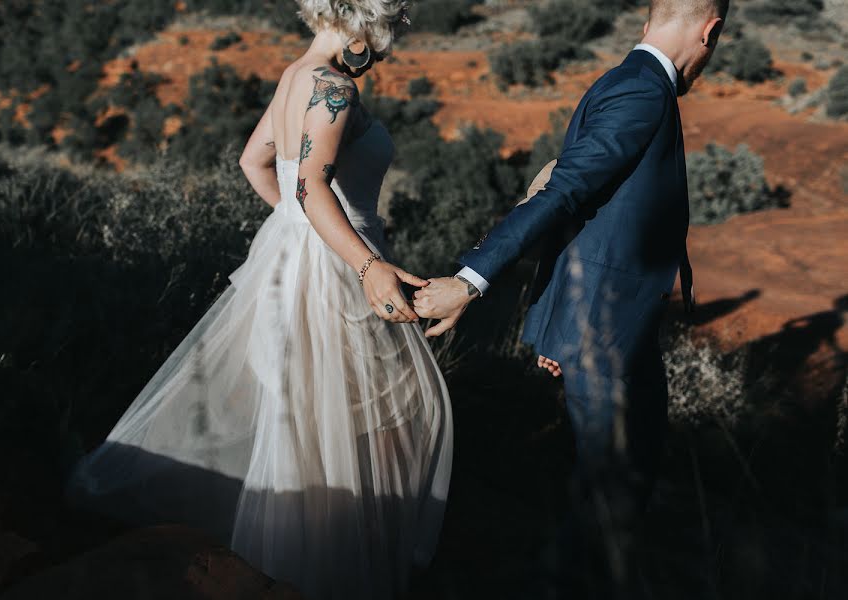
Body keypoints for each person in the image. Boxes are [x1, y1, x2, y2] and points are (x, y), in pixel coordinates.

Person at [63, 2, 453, 599]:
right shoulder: (332, 88)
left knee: (306, 421)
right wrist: (365, 262)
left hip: (305, 261)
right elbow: (309, 184)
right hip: (338, 275)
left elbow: (255, 162)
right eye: (390, 29)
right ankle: (323, 572)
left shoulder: (294, 76)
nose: (388, 46)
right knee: (382, 418)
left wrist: (299, 232)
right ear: (364, 21)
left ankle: (293, 566)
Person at [414, 1, 728, 597]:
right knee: (612, 494)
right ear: (711, 31)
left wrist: (560, 319)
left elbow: (583, 210)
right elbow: (562, 193)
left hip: (611, 325)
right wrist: (471, 280)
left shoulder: (620, 81)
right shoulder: (643, 94)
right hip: (606, 330)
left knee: (619, 483)